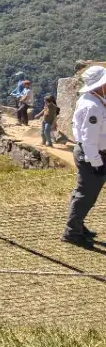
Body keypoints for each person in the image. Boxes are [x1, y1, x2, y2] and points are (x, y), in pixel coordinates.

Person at [62, 65, 106, 245]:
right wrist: (96, 162)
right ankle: (72, 232)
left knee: (84, 192)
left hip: (95, 153)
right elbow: (89, 139)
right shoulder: (92, 106)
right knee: (86, 194)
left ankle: (78, 224)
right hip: (91, 155)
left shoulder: (95, 100)